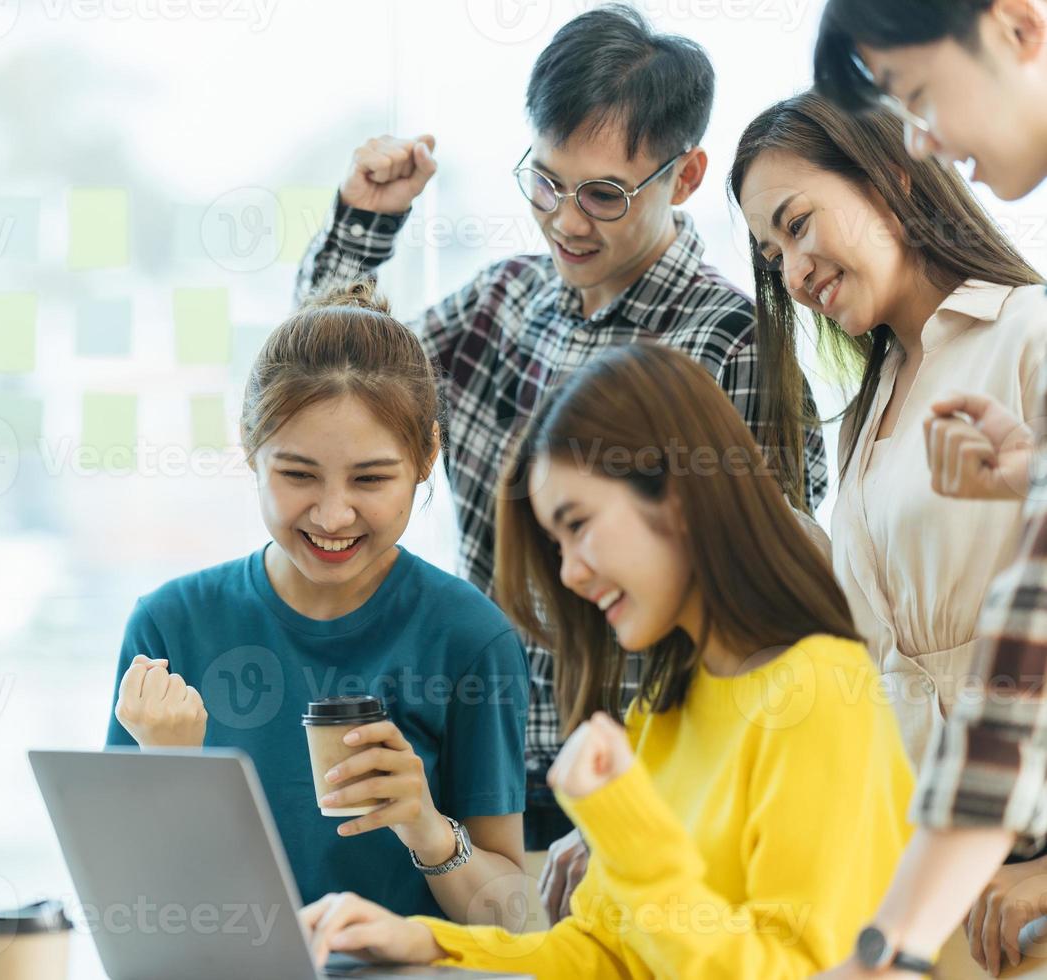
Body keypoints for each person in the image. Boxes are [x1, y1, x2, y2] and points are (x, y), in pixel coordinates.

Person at [296, 4, 828, 915]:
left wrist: (633, 801)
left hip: (630, 799)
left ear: (686, 174)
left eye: (604, 195)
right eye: (546, 183)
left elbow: (757, 623)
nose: (566, 221)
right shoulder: (506, 301)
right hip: (474, 777)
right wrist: (365, 223)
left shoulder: (726, 344)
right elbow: (335, 380)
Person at [296, 342, 914, 977]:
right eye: (557, 543)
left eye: (579, 524)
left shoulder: (819, 696)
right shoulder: (667, 708)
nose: (570, 573)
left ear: (679, 496)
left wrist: (629, 829)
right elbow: (601, 952)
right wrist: (429, 943)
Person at [105, 280, 530, 926]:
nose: (333, 515)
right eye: (298, 475)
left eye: (372, 478)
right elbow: (124, 907)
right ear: (250, 449)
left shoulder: (471, 640)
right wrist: (175, 773)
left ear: (427, 459)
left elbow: (515, 922)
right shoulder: (168, 628)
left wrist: (427, 827)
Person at [813, 3, 1047, 973]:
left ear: (1018, 27)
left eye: (913, 92)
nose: (921, 140)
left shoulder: (1023, 329)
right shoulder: (864, 411)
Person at [729, 91, 1047, 769]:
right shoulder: (870, 410)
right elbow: (880, 647)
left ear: (890, 178)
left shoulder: (1027, 334)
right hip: (914, 825)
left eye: (798, 225)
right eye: (771, 254)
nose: (793, 273)